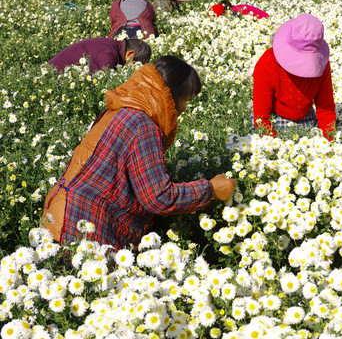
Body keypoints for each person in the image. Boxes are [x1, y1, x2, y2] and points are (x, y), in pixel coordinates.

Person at [41, 55, 237, 249]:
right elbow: (158, 197)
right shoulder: (143, 124)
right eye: (185, 99)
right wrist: (210, 189)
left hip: (60, 216)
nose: (184, 108)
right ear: (171, 95)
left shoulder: (122, 109)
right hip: (84, 227)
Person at [252, 13, 336, 140]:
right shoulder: (268, 63)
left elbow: (325, 107)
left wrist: (330, 139)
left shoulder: (322, 64)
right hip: (274, 119)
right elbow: (261, 115)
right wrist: (271, 145)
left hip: (306, 117)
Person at [48, 37, 151, 74]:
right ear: (130, 53)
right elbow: (98, 85)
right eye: (134, 64)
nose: (132, 67)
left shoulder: (112, 45)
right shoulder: (108, 55)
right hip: (52, 76)